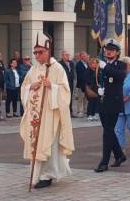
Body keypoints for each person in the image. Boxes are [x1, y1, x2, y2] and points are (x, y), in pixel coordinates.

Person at [20, 33, 74, 189]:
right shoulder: (34, 69)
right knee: (36, 143)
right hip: (35, 115)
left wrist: (52, 87)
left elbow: (65, 91)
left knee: (48, 144)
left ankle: (47, 175)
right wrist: (32, 87)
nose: (37, 55)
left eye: (40, 52)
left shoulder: (57, 68)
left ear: (48, 51)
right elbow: (24, 87)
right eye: (35, 52)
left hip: (50, 114)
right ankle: (36, 174)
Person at [94, 39, 128, 173]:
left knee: (107, 132)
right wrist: (96, 89)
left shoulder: (120, 65)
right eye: (107, 50)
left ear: (117, 53)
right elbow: (93, 79)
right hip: (102, 102)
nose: (108, 52)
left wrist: (105, 66)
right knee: (109, 131)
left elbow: (119, 75)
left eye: (112, 50)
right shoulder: (99, 65)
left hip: (114, 103)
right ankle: (120, 155)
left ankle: (104, 162)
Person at [73, 52, 89, 118]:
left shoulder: (87, 63)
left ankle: (86, 111)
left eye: (86, 56)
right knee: (81, 99)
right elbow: (80, 75)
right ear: (81, 57)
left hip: (88, 85)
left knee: (86, 99)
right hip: (81, 84)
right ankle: (80, 112)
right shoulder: (78, 64)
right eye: (84, 56)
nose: (86, 57)